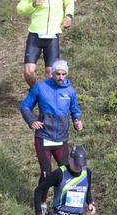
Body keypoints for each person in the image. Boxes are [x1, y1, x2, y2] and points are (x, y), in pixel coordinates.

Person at [19, 58, 83, 186]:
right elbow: (25, 106)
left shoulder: (70, 91)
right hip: (44, 136)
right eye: (57, 74)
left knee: (66, 172)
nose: (60, 77)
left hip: (61, 138)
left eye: (63, 74)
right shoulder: (40, 87)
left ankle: (61, 203)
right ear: (52, 73)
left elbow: (75, 110)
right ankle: (41, 202)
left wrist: (77, 121)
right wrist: (31, 121)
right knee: (46, 173)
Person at [16, 0, 74, 86]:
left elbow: (70, 2)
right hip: (35, 35)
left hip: (52, 36)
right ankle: (34, 90)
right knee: (29, 72)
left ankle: (45, 99)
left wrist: (68, 16)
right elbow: (20, 9)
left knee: (50, 73)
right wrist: (33, 4)